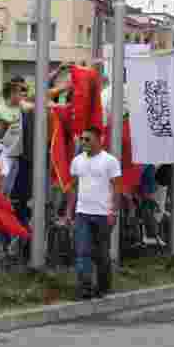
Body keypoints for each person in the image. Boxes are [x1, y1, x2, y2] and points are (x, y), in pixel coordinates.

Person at [65, 126, 121, 300]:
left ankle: (103, 287)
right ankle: (85, 288)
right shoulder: (77, 161)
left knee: (101, 254)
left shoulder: (109, 161)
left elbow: (117, 188)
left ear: (99, 140)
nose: (83, 143)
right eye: (82, 139)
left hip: (103, 214)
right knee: (82, 251)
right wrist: (69, 211)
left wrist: (113, 211)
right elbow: (73, 188)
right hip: (82, 213)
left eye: (87, 139)